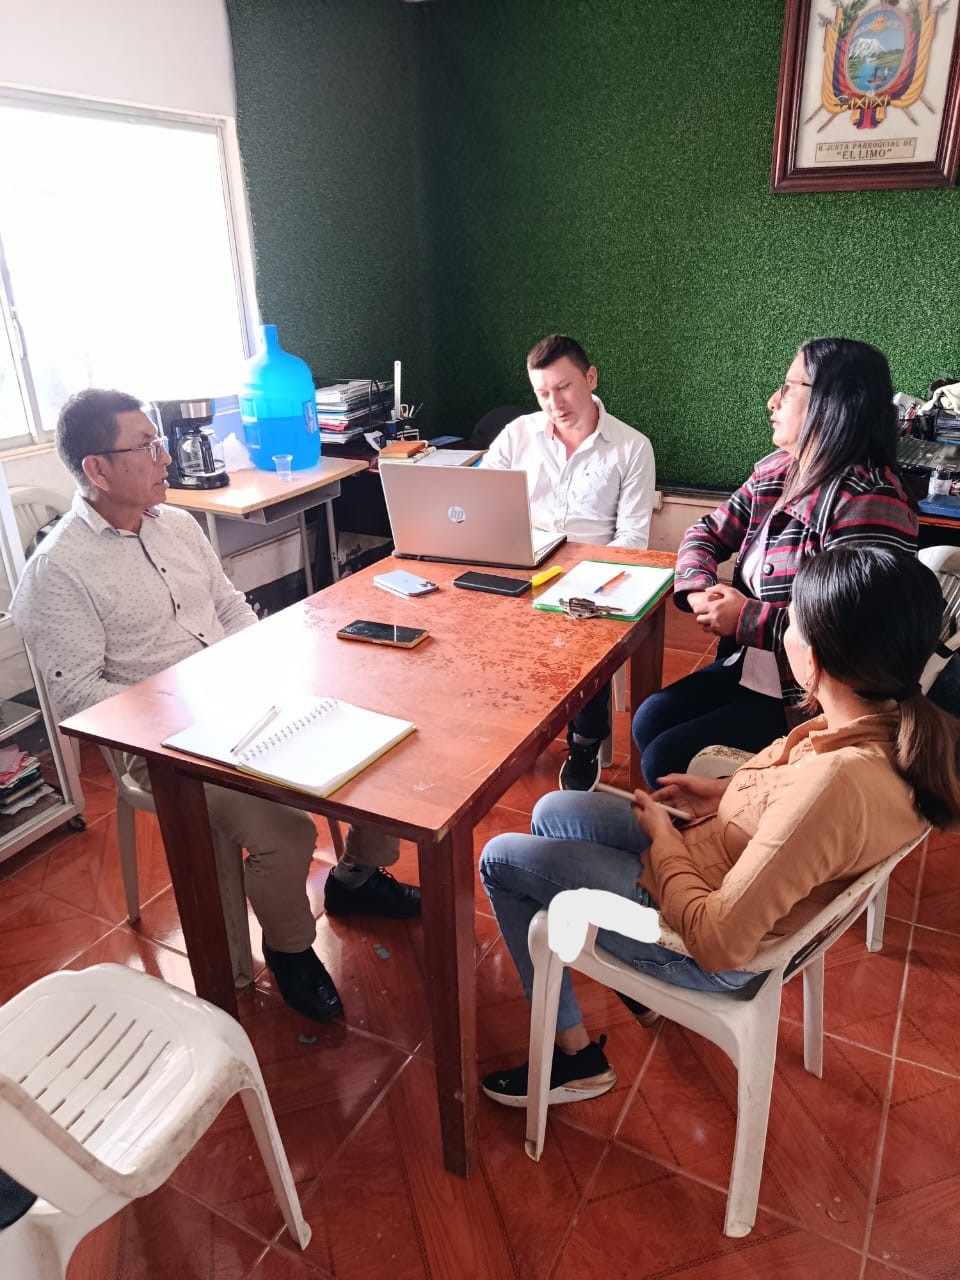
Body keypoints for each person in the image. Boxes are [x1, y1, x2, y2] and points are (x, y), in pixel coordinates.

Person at [479, 545, 960, 1106]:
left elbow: (718, 942)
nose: (784, 632)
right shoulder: (884, 725)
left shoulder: (839, 782)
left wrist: (664, 841)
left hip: (697, 941)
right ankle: (632, 994)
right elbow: (794, 807)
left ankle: (575, 1059)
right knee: (551, 812)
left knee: (500, 858)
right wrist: (726, 793)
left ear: (814, 660)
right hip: (715, 860)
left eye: (792, 623)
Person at [12, 389, 421, 1024]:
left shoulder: (175, 524)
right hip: (164, 745)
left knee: (379, 734)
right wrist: (189, 705)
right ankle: (290, 948)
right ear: (97, 469)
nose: (164, 457)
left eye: (159, 441)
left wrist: (253, 669)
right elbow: (77, 700)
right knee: (286, 833)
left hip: (244, 703)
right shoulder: (58, 570)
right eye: (146, 446)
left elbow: (230, 606)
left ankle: (357, 878)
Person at [632, 337, 918, 787]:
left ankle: (727, 826)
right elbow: (705, 532)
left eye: (787, 387)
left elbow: (858, 638)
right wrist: (696, 587)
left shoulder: (870, 501)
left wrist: (747, 618)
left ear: (832, 402)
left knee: (665, 758)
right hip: (752, 667)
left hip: (812, 699)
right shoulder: (781, 470)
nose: (772, 400)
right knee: (650, 719)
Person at [482, 334, 656, 791]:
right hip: (525, 564)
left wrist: (588, 575)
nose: (554, 404)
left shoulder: (632, 447)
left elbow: (632, 541)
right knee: (470, 614)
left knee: (581, 628)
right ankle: (510, 723)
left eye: (563, 387)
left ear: (590, 378)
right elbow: (484, 499)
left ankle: (584, 740)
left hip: (592, 575)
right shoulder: (518, 434)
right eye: (542, 393)